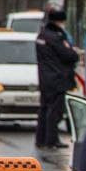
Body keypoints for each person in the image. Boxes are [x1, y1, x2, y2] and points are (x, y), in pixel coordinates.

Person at [34, 9, 77, 149]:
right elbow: (69, 55)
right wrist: (73, 52)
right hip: (57, 79)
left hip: (45, 78)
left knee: (44, 109)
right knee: (55, 111)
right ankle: (51, 140)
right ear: (60, 21)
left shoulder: (42, 35)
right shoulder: (56, 37)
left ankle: (41, 139)